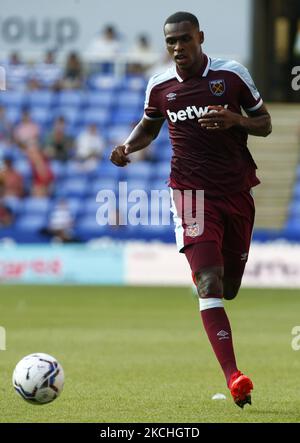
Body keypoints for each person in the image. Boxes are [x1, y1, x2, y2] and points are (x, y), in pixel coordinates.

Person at [110, 11, 272, 408]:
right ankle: (235, 377)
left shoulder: (231, 75)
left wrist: (234, 119)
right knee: (208, 281)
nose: (178, 47)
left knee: (228, 287)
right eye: (171, 42)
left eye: (184, 39)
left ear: (200, 37)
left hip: (236, 192)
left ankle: (227, 340)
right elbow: (149, 125)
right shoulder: (160, 85)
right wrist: (128, 146)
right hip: (190, 197)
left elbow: (265, 123)